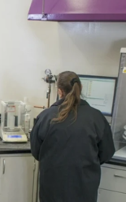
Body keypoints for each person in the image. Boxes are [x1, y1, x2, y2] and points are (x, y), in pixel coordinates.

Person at [31, 71, 115, 202]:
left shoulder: (46, 116)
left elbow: (36, 152)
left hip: (52, 190)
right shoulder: (96, 117)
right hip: (84, 189)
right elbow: (106, 153)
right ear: (80, 88)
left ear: (59, 91)